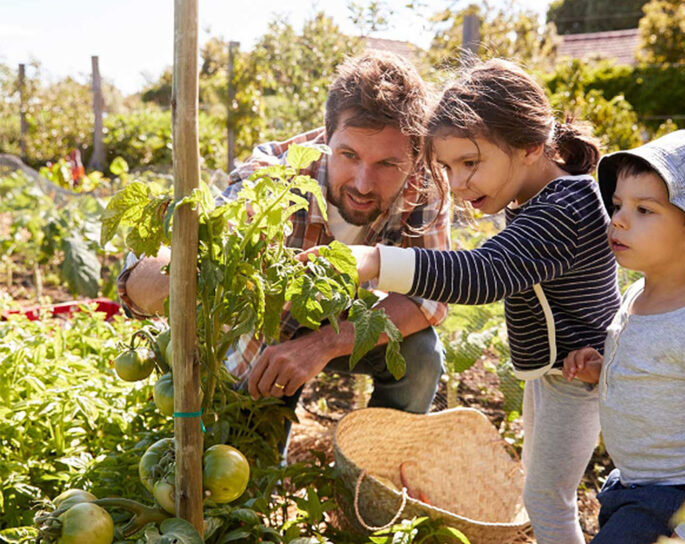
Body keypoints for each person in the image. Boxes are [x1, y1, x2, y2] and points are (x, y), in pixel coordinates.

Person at [306, 59, 622, 544]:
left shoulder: (564, 209)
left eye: (470, 163)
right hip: (562, 374)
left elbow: (481, 275)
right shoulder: (540, 200)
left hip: (579, 378)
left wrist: (372, 260)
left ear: (531, 146)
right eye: (448, 167)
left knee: (549, 499)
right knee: (549, 491)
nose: (456, 183)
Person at [118, 51, 451, 449]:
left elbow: (428, 297)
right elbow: (152, 276)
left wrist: (323, 343)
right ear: (327, 136)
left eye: (387, 164)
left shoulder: (424, 185)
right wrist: (175, 271)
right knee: (247, 463)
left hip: (345, 323)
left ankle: (378, 469)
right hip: (268, 337)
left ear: (414, 156)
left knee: (421, 354)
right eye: (349, 155)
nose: (363, 182)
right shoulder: (276, 176)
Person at [562, 129, 685, 543]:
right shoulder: (636, 295)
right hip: (629, 486)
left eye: (644, 210)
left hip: (675, 501)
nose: (619, 219)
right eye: (617, 205)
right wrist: (604, 370)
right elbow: (652, 372)